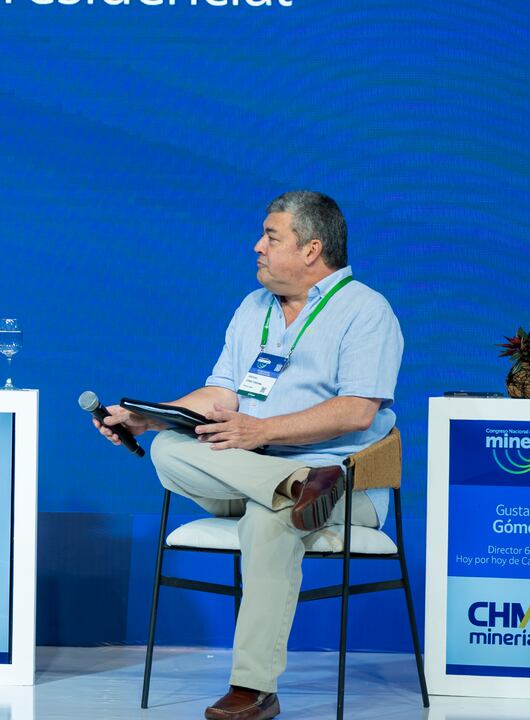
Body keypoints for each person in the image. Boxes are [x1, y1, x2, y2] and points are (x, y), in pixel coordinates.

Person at [94, 191, 402, 720]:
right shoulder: (253, 307)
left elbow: (356, 411)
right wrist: (150, 418)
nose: (257, 246)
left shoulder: (367, 311)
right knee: (168, 447)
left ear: (311, 248)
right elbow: (221, 394)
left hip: (345, 482)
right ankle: (294, 484)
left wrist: (262, 431)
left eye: (271, 237)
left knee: (268, 520)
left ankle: (253, 689)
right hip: (267, 476)